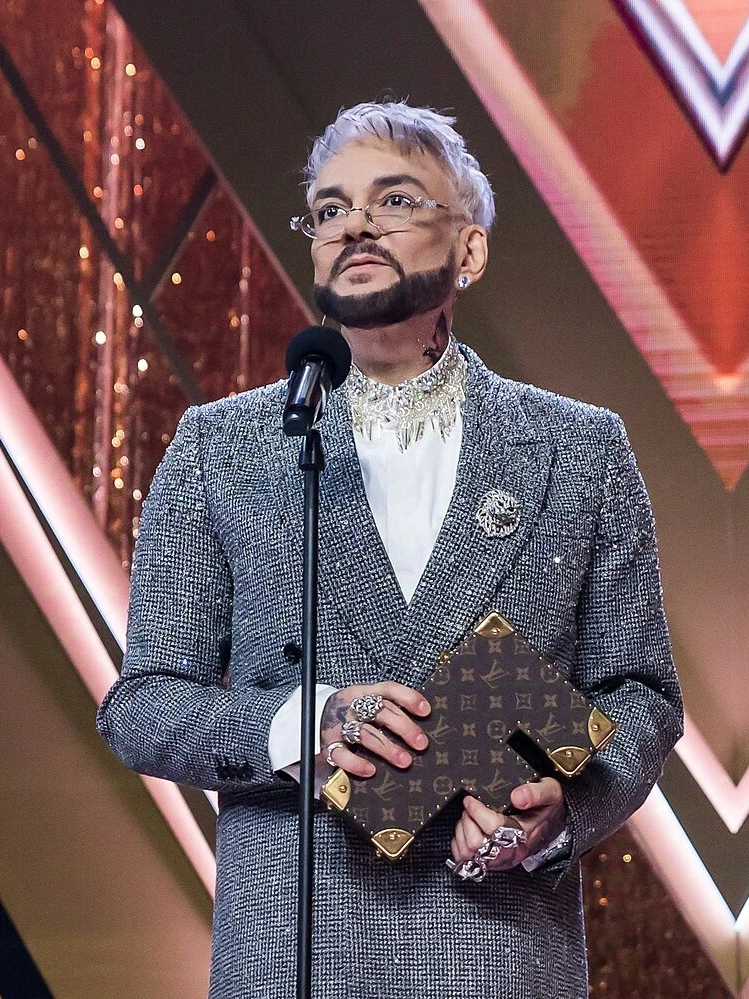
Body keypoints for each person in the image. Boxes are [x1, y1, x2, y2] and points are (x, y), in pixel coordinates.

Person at [96, 100, 683, 999]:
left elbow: (639, 692)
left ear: (469, 251)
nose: (356, 224)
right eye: (330, 209)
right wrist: (307, 722)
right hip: (293, 949)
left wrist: (562, 810)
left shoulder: (579, 448)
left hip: (496, 947)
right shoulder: (222, 448)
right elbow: (142, 707)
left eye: (396, 199)